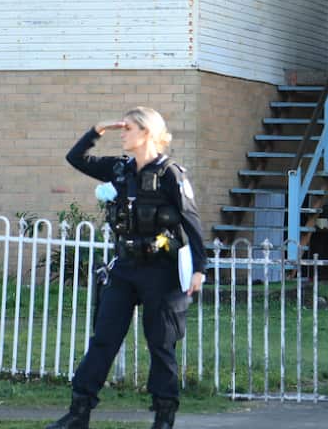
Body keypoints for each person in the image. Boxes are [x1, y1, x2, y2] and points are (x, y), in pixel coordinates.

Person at [47, 107, 206, 429]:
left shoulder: (170, 174)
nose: (123, 133)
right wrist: (97, 129)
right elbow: (76, 158)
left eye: (129, 128)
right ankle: (78, 414)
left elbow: (192, 222)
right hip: (124, 268)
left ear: (147, 132)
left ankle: (164, 417)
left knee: (160, 344)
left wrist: (199, 269)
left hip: (162, 271)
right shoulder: (119, 169)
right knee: (104, 339)